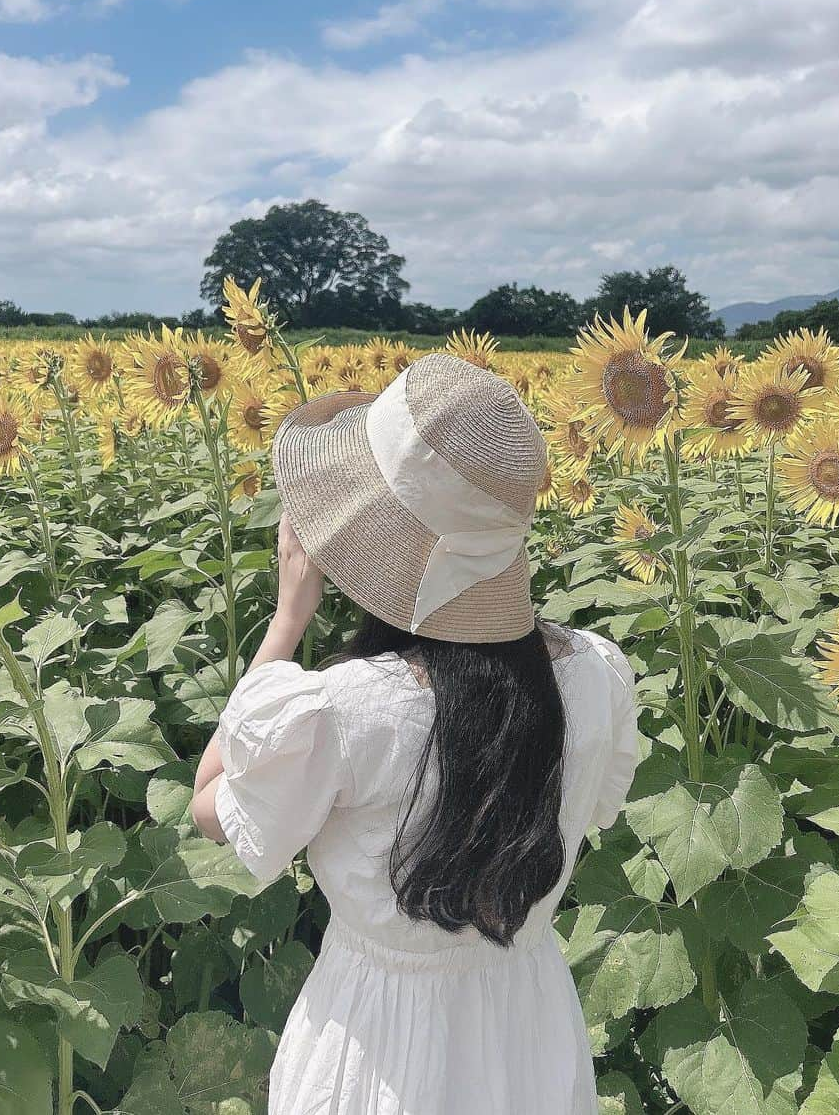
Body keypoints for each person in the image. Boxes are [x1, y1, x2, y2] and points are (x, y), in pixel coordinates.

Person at [192, 352, 639, 1114]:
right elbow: (596, 811)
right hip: (527, 1017)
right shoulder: (593, 673)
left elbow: (210, 805)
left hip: (377, 1044)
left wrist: (287, 620)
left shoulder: (347, 709)